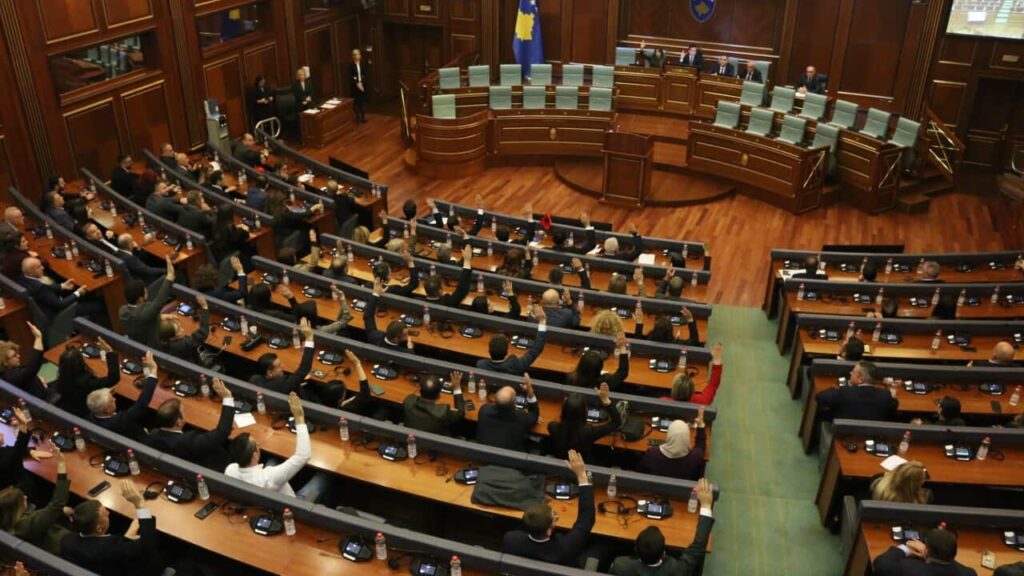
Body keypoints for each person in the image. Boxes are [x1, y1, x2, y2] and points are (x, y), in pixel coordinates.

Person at [227, 392, 329, 502]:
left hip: (265, 497)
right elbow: (304, 456)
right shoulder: (269, 477)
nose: (259, 445)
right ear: (254, 454)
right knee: (325, 476)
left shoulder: (230, 470)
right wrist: (299, 418)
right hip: (294, 505)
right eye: (257, 445)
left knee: (273, 460)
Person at [502, 450, 596, 567]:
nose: (556, 516)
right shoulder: (565, 547)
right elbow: (586, 520)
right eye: (554, 517)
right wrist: (581, 476)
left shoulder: (511, 539)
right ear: (549, 531)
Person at [609, 478, 715, 576]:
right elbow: (698, 547)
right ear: (664, 553)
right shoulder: (678, 570)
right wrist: (706, 506)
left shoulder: (620, 566)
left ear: (635, 549)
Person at [61, 481, 161, 576]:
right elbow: (147, 544)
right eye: (106, 514)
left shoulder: (67, 541)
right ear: (99, 529)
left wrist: (127, 537)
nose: (109, 513)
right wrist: (140, 504)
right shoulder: (113, 549)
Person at [145, 377, 234, 470]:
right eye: (183, 411)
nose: (185, 413)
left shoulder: (153, 434)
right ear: (178, 422)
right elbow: (222, 432)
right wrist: (227, 397)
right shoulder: (189, 442)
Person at [0, 450, 70, 555]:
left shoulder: (7, 520)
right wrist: (61, 464)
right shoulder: (25, 526)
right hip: (57, 547)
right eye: (22, 498)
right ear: (16, 508)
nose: (25, 497)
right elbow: (57, 504)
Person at [88, 352, 158, 441]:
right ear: (108, 410)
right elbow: (142, 403)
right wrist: (153, 370)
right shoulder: (122, 420)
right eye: (112, 400)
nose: (115, 398)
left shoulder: (91, 416)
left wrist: (106, 393)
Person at [547, 383, 621, 460]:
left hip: (561, 460)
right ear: (583, 411)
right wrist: (606, 400)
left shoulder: (552, 427)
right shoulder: (590, 432)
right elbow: (617, 422)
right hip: (583, 463)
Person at [55, 337, 120, 416]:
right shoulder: (87, 382)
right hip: (84, 412)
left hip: (68, 407)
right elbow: (113, 378)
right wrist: (109, 351)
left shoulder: (62, 377)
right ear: (80, 363)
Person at [250, 318, 315, 397]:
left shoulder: (254, 380)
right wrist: (309, 337)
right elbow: (304, 368)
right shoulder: (283, 384)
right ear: (269, 373)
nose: (283, 366)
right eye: (279, 366)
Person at [872, 527, 976, 576]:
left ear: (926, 550)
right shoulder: (970, 574)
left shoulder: (906, 569)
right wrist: (930, 556)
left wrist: (905, 548)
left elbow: (880, 564)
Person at [118, 257, 174, 347]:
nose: (148, 292)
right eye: (146, 292)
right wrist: (170, 277)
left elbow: (144, 321)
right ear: (140, 299)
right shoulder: (143, 314)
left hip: (138, 343)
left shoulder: (122, 310)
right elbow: (158, 303)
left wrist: (159, 317)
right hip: (153, 347)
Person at [815, 361, 899, 421]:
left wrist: (835, 389)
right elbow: (894, 405)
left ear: (860, 380)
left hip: (843, 434)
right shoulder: (885, 395)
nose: (851, 373)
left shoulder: (845, 392)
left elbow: (820, 397)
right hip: (872, 435)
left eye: (853, 372)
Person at [476, 306, 547, 375]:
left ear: (489, 351)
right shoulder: (516, 365)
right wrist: (542, 321)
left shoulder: (481, 365)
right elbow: (536, 350)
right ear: (507, 352)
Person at [476, 374, 539, 451]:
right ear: (514, 403)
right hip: (510, 460)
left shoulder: (484, 411)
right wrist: (530, 390)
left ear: (495, 399)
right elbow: (535, 414)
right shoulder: (522, 418)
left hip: (484, 454)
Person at [639, 408, 707, 480]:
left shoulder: (652, 454)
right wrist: (700, 426)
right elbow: (701, 446)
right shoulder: (694, 458)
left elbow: (642, 471)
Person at [17, 257, 88, 319]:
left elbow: (46, 290)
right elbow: (59, 305)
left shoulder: (22, 278)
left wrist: (62, 286)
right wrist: (77, 293)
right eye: (38, 267)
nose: (43, 268)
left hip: (46, 305)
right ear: (30, 272)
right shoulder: (40, 288)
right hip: (58, 314)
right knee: (96, 306)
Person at [403, 370, 465, 435]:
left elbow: (414, 396)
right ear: (439, 396)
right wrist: (457, 387)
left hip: (410, 440)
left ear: (420, 391)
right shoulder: (442, 412)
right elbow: (460, 412)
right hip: (433, 444)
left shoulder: (408, 402)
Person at [158, 295, 209, 364]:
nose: (182, 330)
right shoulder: (182, 345)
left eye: (180, 326)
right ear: (171, 338)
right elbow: (202, 334)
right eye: (178, 331)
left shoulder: (159, 338)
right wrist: (205, 308)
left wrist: (160, 317)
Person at [0, 323, 46, 399]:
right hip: (43, 401)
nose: (18, 356)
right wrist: (38, 338)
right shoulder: (11, 376)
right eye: (14, 356)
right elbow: (31, 369)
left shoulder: (9, 371)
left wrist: (37, 379)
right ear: (4, 362)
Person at [634, 306, 701, 347]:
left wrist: (639, 321)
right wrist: (690, 319)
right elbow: (694, 341)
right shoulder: (677, 345)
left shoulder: (648, 341)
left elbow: (637, 340)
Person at [349, 48, 368, 123]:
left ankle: (363, 117)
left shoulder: (363, 64)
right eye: (354, 55)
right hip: (354, 87)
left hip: (362, 85)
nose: (356, 56)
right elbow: (350, 77)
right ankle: (357, 117)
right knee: (356, 102)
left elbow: (365, 74)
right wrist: (356, 83)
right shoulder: (351, 65)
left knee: (362, 102)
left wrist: (362, 83)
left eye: (357, 54)